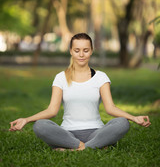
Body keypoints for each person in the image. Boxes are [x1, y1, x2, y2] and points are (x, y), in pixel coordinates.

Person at [9, 33, 151, 151]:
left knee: (122, 123)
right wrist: (26, 120)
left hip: (96, 132)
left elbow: (110, 108)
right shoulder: (61, 77)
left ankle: (73, 148)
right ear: (71, 51)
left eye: (85, 50)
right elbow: (52, 110)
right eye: (77, 50)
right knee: (40, 125)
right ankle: (93, 146)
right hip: (67, 132)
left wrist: (133, 118)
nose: (81, 55)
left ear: (91, 50)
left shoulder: (101, 77)